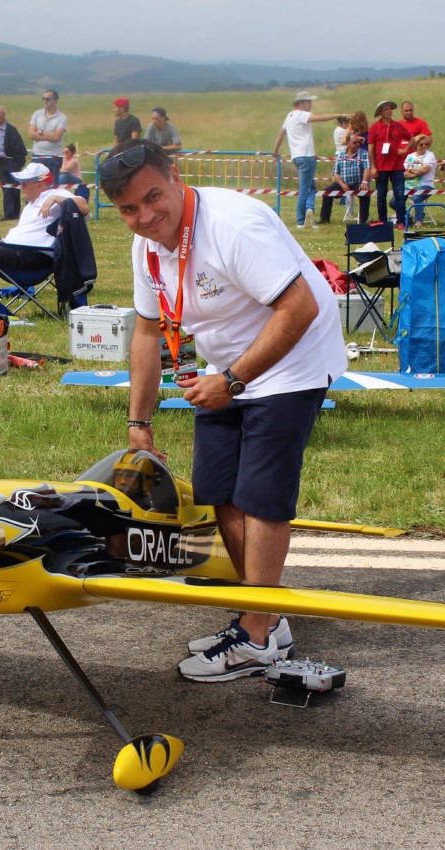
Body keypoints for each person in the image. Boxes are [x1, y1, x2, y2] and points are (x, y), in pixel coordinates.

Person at [97, 139, 346, 682]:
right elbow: (144, 332)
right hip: (226, 370)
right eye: (128, 210)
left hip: (293, 358)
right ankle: (264, 619)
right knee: (217, 490)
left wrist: (232, 381)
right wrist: (139, 421)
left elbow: (299, 305)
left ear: (176, 176)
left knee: (261, 497)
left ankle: (257, 636)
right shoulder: (146, 248)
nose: (145, 216)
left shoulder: (234, 225)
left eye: (153, 197)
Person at [0, 162, 88, 311]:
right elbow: (15, 238)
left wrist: (55, 199)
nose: (21, 186)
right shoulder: (29, 206)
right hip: (15, 249)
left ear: (40, 184)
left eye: (24, 183)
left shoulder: (55, 194)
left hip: (35, 255)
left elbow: (83, 206)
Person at [273, 91, 345, 230]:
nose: (311, 104)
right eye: (309, 102)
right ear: (301, 103)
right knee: (305, 188)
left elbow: (281, 133)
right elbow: (320, 118)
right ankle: (301, 220)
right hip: (306, 155)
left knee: (311, 186)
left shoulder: (290, 115)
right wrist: (339, 115)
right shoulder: (301, 114)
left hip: (296, 156)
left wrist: (275, 150)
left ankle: (309, 210)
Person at [365, 99, 413, 228]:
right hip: (381, 167)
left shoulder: (398, 126)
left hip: (397, 166)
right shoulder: (375, 128)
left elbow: (412, 138)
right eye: (386, 109)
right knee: (381, 196)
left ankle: (401, 222)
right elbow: (371, 149)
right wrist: (373, 167)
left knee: (399, 195)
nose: (389, 111)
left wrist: (405, 150)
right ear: (380, 112)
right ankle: (383, 222)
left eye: (390, 108)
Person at [317, 132, 362, 225]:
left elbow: (367, 169)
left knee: (365, 193)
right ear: (348, 143)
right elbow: (335, 173)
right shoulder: (340, 156)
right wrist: (342, 184)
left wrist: (364, 182)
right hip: (343, 183)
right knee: (327, 192)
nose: (357, 144)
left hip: (358, 183)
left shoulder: (363, 155)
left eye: (359, 142)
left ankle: (363, 219)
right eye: (355, 143)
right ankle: (324, 219)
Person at [29, 89, 68, 177]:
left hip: (53, 157)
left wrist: (40, 132)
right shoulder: (36, 114)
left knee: (51, 186)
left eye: (47, 99)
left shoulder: (62, 118)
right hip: (37, 155)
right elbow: (31, 134)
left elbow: (57, 137)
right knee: (36, 184)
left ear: (55, 100)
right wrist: (49, 135)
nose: (44, 101)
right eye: (43, 99)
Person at [402, 134, 437, 226]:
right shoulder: (409, 156)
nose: (424, 146)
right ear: (415, 146)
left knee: (417, 197)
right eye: (421, 145)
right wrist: (416, 173)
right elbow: (404, 173)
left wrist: (410, 169)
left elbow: (425, 170)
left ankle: (419, 221)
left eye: (426, 144)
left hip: (426, 184)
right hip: (409, 185)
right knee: (394, 201)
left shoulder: (430, 155)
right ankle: (407, 217)